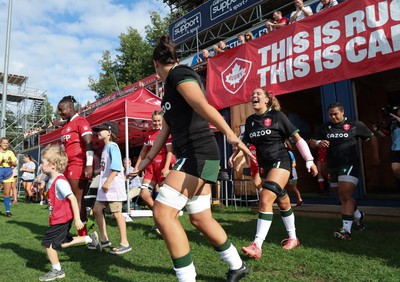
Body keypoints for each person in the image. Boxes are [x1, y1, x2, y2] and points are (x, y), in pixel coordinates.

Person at [136, 34, 254, 282]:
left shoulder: (180, 74)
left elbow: (201, 104)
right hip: (200, 155)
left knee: (162, 213)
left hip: (198, 153)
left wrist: (230, 134)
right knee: (201, 218)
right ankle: (237, 265)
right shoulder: (169, 89)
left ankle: (186, 279)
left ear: (155, 64)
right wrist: (145, 163)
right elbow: (165, 131)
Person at [231, 88, 317, 259]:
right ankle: (293, 238)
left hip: (281, 161)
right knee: (283, 200)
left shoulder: (278, 116)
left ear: (267, 100)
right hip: (265, 166)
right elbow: (244, 142)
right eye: (252, 94)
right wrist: (234, 155)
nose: (254, 96)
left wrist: (309, 159)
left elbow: (297, 138)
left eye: (258, 94)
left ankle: (257, 245)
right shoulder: (250, 121)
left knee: (265, 198)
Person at [310, 102, 380, 240]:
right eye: (330, 114)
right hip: (332, 166)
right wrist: (318, 143)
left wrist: (375, 156)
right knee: (341, 196)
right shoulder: (325, 127)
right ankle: (359, 215)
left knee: (345, 195)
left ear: (342, 112)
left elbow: (372, 138)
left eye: (335, 114)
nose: (333, 117)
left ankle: (346, 230)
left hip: (350, 164)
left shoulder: (355, 125)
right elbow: (311, 141)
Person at [39, 145, 101, 282]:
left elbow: (73, 198)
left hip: (61, 219)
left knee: (48, 245)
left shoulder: (61, 182)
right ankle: (89, 239)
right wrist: (43, 182)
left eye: (43, 162)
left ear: (53, 165)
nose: (41, 164)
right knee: (61, 243)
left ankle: (57, 270)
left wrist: (78, 220)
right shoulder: (52, 178)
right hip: (58, 218)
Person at [89, 121, 132, 255]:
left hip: (112, 187)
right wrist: (96, 172)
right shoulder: (106, 148)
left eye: (100, 130)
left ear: (109, 132)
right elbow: (106, 167)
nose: (98, 132)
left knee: (117, 213)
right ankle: (104, 239)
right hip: (105, 187)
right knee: (96, 209)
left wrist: (107, 182)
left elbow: (117, 167)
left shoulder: (113, 147)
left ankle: (125, 242)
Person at [58, 95, 94, 236]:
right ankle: (81, 230)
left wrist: (89, 165)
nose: (60, 113)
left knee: (76, 200)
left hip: (78, 165)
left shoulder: (81, 121)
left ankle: (81, 233)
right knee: (70, 199)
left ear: (70, 108)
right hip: (67, 165)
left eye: (62, 110)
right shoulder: (65, 125)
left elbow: (89, 143)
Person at [372, 107, 400, 182]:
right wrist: (377, 130)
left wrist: (395, 117)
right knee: (395, 170)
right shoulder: (392, 124)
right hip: (395, 150)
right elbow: (384, 135)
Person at [0, 137, 17, 217]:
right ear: (0, 143)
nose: (5, 145)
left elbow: (15, 163)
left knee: (7, 193)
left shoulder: (10, 152)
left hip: (8, 172)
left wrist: (10, 161)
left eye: (7, 143)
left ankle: (8, 211)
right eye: (4, 143)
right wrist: (1, 162)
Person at [285, 141, 303, 206]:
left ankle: (299, 199)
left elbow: (294, 163)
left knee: (293, 188)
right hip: (284, 173)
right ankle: (286, 201)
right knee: (283, 188)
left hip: (291, 173)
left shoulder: (290, 153)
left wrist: (289, 167)